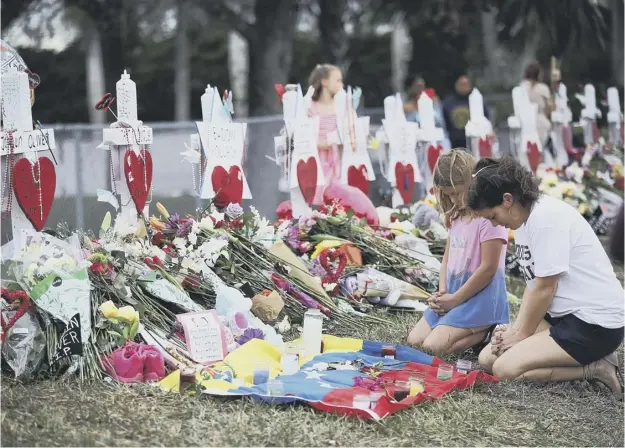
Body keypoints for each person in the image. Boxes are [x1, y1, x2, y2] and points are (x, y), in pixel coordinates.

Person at [468, 157, 624, 394]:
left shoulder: (545, 219)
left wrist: (521, 335)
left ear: (507, 199)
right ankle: (575, 357)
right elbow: (533, 285)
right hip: (563, 316)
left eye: (492, 216)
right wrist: (514, 331)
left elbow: (545, 289)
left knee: (504, 370)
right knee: (488, 359)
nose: (494, 223)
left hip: (594, 324)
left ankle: (596, 367)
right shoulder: (523, 220)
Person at [407, 150, 510, 355]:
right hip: (454, 293)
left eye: (456, 192)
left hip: (479, 298)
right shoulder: (456, 216)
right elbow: (448, 257)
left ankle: (484, 331)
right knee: (414, 341)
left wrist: (454, 300)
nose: (453, 199)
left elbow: (489, 268)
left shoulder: (489, 217)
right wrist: (443, 291)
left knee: (432, 347)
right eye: (448, 194)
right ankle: (459, 326)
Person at [308, 64, 344, 204]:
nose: (341, 84)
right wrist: (322, 143)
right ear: (324, 82)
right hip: (317, 158)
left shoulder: (341, 105)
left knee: (335, 194)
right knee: (317, 193)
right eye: (337, 80)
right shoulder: (310, 106)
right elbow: (305, 134)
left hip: (335, 157)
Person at [442, 74, 489, 149]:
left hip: (475, 139)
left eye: (466, 84)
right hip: (456, 142)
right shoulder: (448, 103)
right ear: (456, 85)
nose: (464, 87)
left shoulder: (476, 100)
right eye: (461, 84)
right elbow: (446, 122)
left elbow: (486, 117)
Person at [521, 62, 553, 149]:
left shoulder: (522, 87)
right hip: (541, 121)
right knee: (540, 150)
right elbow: (549, 107)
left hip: (526, 123)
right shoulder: (543, 88)